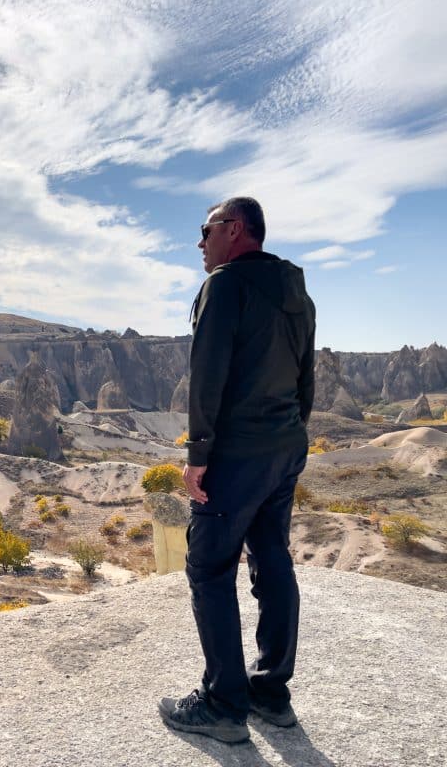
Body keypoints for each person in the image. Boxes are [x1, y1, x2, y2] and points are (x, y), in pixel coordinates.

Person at [158, 197, 316, 744]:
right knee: (272, 558)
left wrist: (198, 453)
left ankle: (224, 704)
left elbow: (207, 374)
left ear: (237, 229)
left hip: (237, 454)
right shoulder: (297, 292)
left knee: (208, 567)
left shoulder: (224, 285)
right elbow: (306, 380)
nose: (200, 242)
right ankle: (271, 693)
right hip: (284, 447)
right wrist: (287, 437)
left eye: (206, 230)